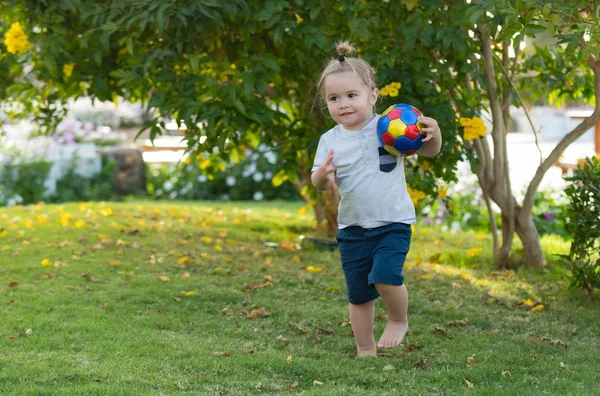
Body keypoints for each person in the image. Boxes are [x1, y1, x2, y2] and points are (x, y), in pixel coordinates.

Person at [311, 41, 442, 357]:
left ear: (372, 96)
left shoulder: (388, 126)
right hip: (352, 228)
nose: (343, 104)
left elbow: (426, 150)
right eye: (334, 98)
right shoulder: (329, 140)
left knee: (385, 276)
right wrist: (322, 176)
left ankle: (398, 319)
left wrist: (434, 135)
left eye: (351, 96)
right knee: (359, 295)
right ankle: (365, 348)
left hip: (392, 222)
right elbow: (316, 179)